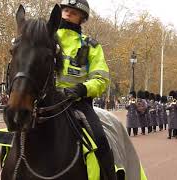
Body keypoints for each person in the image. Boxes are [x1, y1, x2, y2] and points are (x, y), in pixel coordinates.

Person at [56, 0, 115, 179]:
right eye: (65, 10)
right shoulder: (45, 38)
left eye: (73, 12)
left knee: (100, 140)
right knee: (10, 135)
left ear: (82, 19)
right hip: (45, 102)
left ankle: (108, 175)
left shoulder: (91, 46)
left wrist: (82, 89)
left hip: (76, 104)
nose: (67, 13)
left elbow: (101, 79)